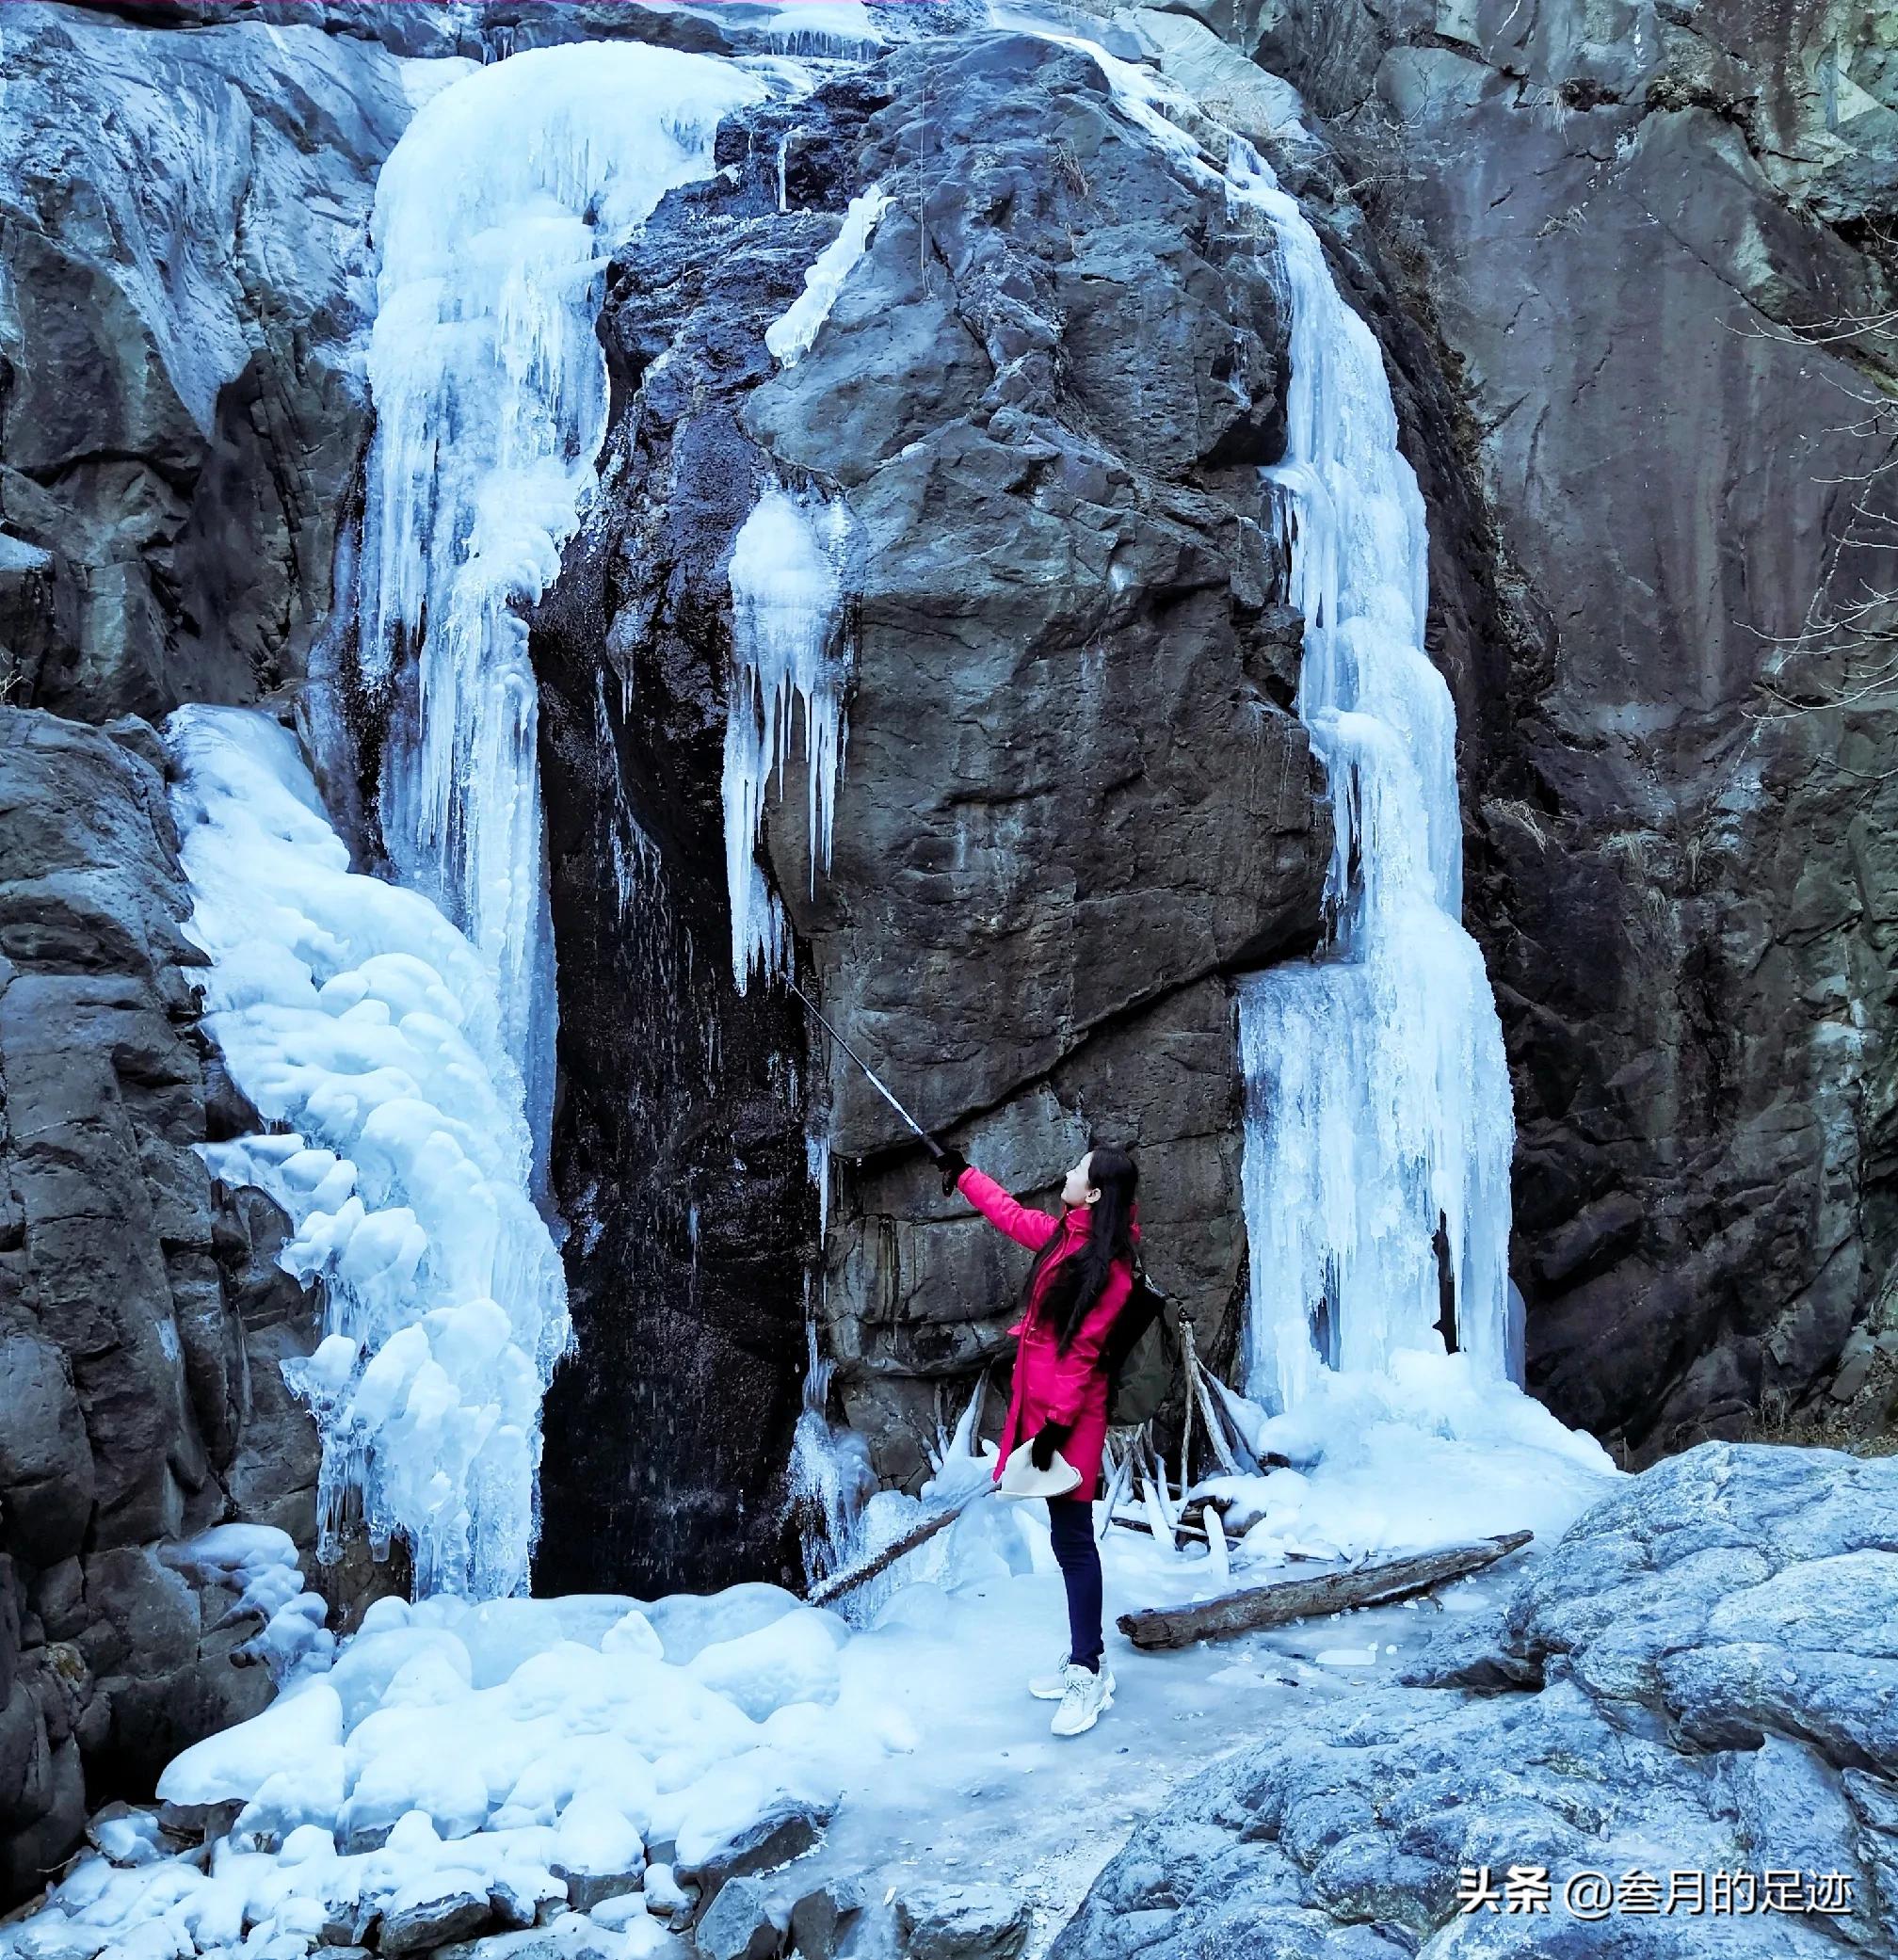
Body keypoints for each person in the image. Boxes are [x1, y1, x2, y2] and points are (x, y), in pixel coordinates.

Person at [929, 1137, 1141, 1739]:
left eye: (1078, 1170)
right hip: (1041, 1409)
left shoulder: (1112, 1270)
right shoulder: (1065, 1239)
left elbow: (1084, 1354)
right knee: (1065, 1539)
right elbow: (1010, 1215)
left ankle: (1088, 1669)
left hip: (1068, 1418)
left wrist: (1055, 1427)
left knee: (1074, 1541)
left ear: (1094, 1193)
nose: (1067, 1171)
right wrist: (963, 1174)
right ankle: (1084, 1653)